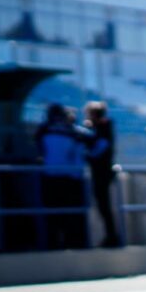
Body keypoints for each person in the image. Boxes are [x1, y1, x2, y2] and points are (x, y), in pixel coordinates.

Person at [35, 103, 93, 249]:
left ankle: (53, 245)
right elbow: (89, 140)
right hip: (69, 177)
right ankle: (73, 244)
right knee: (71, 215)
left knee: (53, 215)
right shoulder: (72, 130)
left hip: (50, 176)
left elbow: (39, 149)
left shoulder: (44, 129)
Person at [84, 101, 122, 247]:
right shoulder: (99, 127)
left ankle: (112, 236)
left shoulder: (103, 126)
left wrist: (88, 155)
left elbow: (101, 147)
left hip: (102, 171)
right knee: (103, 205)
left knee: (104, 205)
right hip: (100, 171)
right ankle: (110, 235)